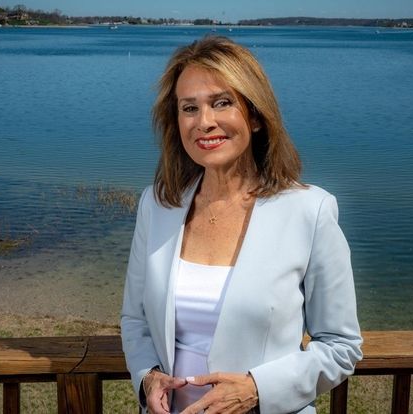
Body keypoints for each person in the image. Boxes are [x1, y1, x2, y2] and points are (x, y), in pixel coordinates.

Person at [120, 35, 362, 414]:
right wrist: (147, 377)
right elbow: (135, 320)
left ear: (254, 115)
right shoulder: (156, 205)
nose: (205, 122)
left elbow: (340, 346)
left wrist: (256, 389)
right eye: (189, 108)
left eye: (222, 102)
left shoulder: (309, 211)